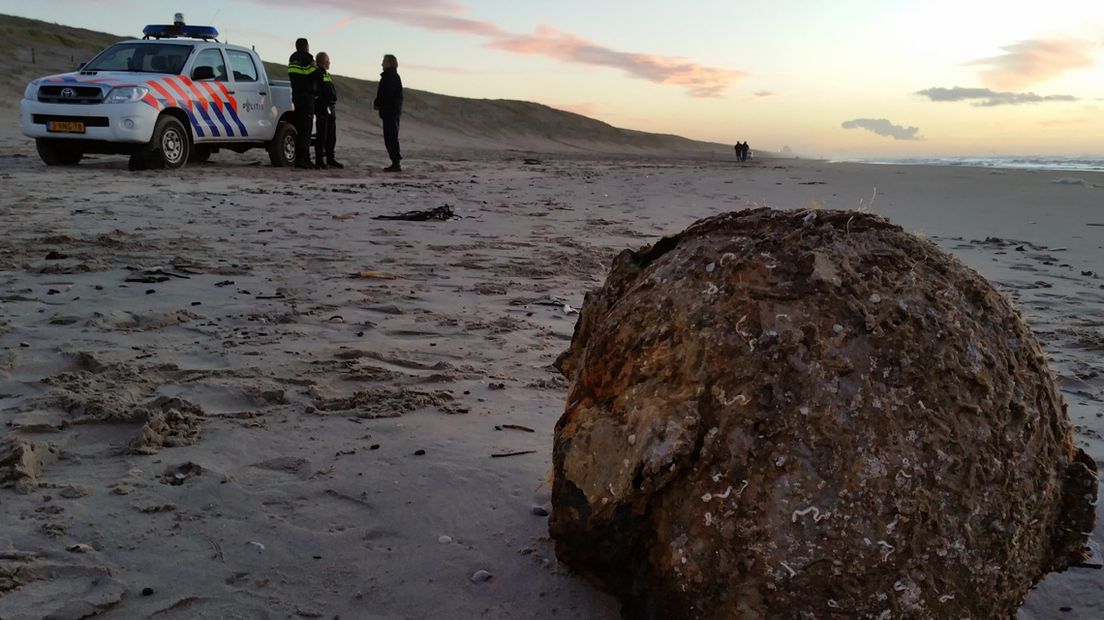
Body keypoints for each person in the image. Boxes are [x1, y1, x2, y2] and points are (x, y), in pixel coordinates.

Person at [287, 38, 322, 169]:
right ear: (306, 46)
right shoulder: (307, 59)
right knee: (306, 131)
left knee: (300, 129)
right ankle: (303, 160)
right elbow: (317, 75)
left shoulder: (292, 60)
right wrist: (315, 65)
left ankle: (301, 159)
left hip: (296, 97)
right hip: (306, 98)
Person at [373, 54, 404, 172]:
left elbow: (387, 94)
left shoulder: (391, 76)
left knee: (391, 137)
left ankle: (396, 162)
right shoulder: (389, 76)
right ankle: (395, 162)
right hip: (390, 111)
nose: (382, 64)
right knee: (390, 137)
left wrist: (378, 102)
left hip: (391, 111)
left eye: (384, 62)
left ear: (390, 63)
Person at [313, 52, 342, 169]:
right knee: (322, 135)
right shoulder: (317, 73)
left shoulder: (326, 74)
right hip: (322, 108)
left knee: (331, 135)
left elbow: (330, 89)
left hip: (330, 108)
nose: (329, 63)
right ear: (323, 61)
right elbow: (320, 91)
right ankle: (319, 160)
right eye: (328, 60)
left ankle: (330, 158)